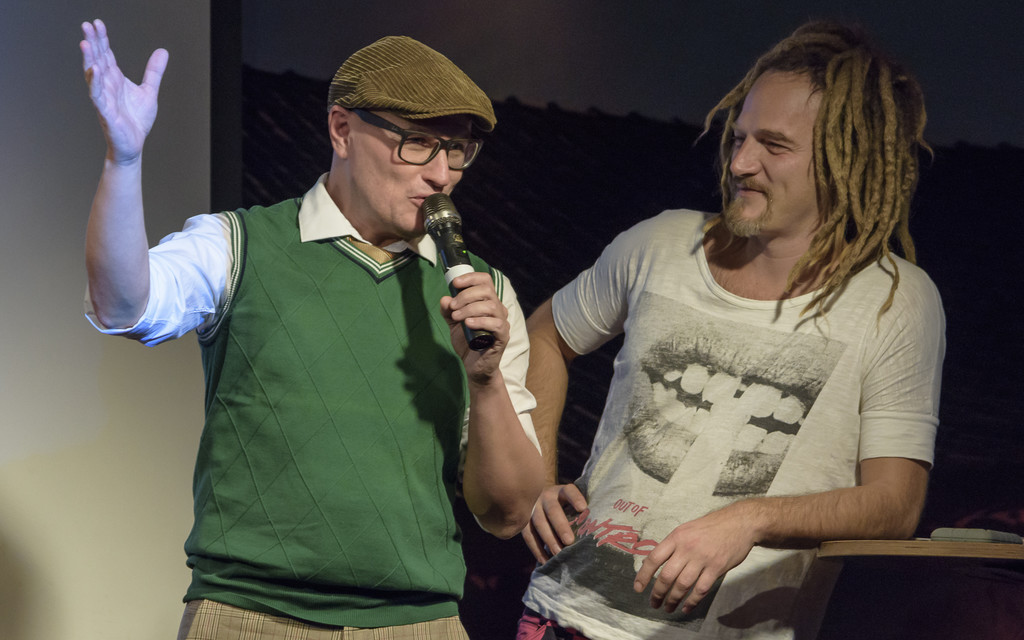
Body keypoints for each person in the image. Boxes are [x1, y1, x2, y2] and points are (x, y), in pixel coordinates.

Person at [78, 19, 544, 639]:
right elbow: (121, 307)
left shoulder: (484, 294)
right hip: (250, 616)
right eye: (417, 143)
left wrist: (484, 380)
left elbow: (509, 513)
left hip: (418, 622)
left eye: (456, 150)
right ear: (342, 129)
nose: (441, 175)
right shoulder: (238, 245)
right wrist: (125, 159)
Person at [517, 20, 945, 640]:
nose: (741, 162)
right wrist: (534, 482)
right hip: (564, 616)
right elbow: (543, 335)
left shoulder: (895, 301)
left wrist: (750, 519)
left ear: (844, 158)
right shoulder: (661, 243)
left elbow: (895, 504)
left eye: (774, 145)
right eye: (740, 137)